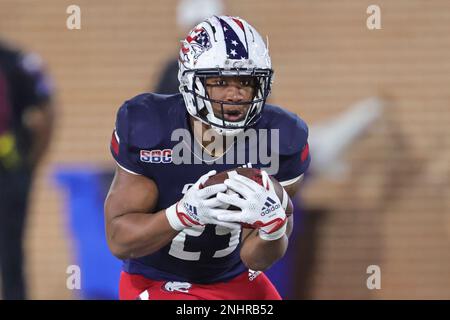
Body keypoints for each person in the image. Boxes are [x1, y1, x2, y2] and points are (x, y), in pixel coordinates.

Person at [104, 15, 310, 300]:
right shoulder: (150, 127)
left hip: (233, 279)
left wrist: (273, 229)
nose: (235, 94)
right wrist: (182, 213)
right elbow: (119, 241)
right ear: (192, 82)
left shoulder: (281, 139)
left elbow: (256, 260)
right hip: (155, 280)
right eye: (221, 81)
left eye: (246, 82)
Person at [0, 41, 54, 300]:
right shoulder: (19, 61)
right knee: (12, 249)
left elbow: (45, 115)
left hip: (12, 171)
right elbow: (47, 114)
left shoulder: (18, 62)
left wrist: (29, 165)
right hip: (14, 171)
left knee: (11, 249)